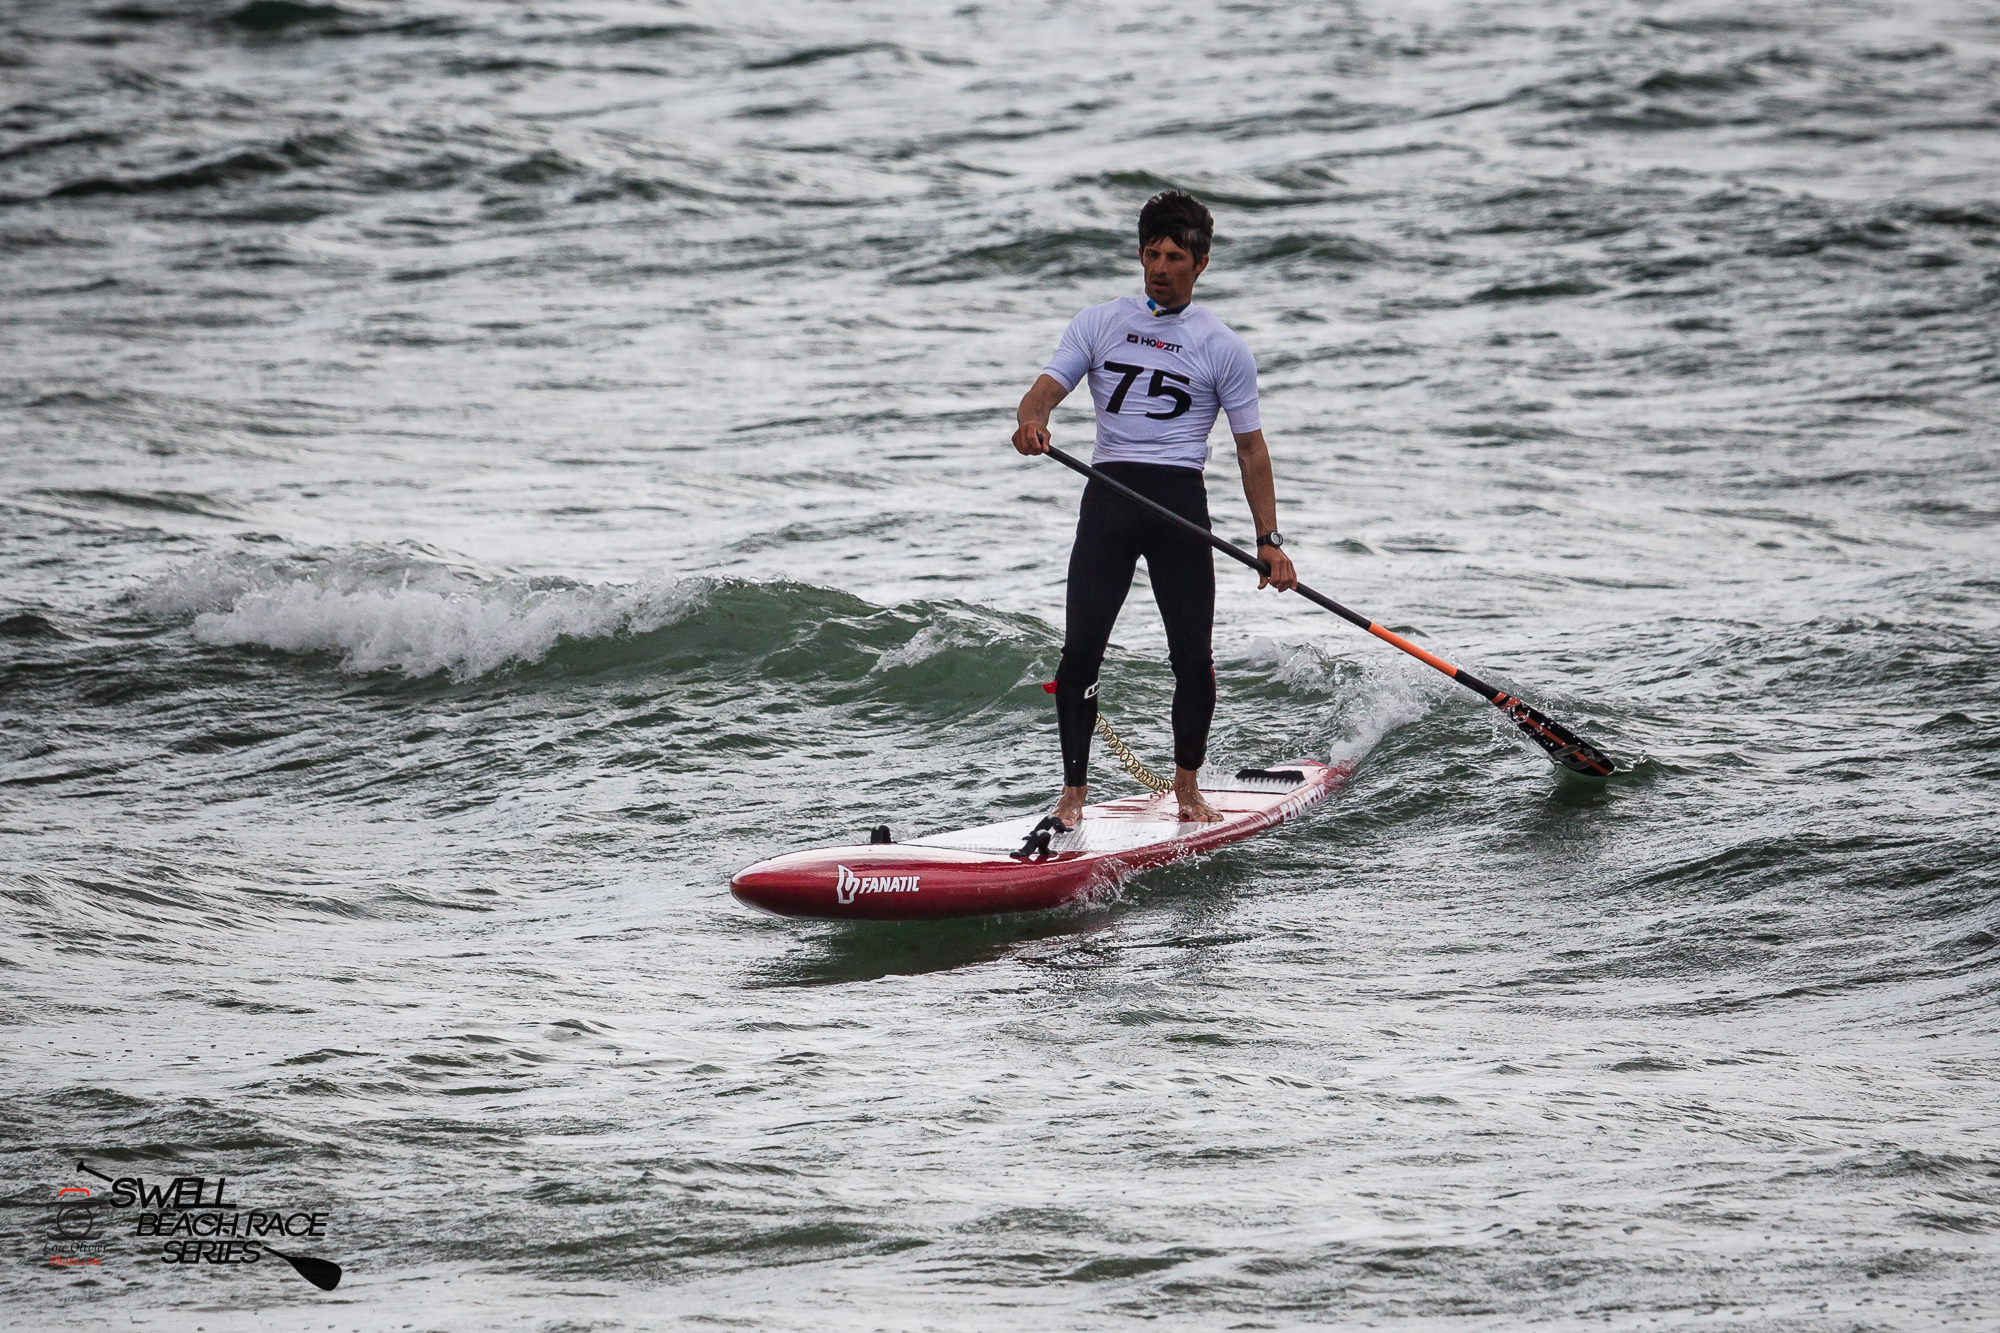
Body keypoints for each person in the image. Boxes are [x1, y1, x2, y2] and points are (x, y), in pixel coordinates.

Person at [1012, 190, 1298, 827]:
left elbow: (1251, 450)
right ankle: (1073, 796)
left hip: (1179, 509)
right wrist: (1032, 420)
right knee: (1080, 653)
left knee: (1192, 658)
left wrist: (1270, 540)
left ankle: (1188, 789)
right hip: (1108, 500)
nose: (1160, 269)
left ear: (1201, 264)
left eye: (1174, 258)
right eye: (1151, 255)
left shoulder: (1222, 346)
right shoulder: (1099, 322)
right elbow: (1044, 391)